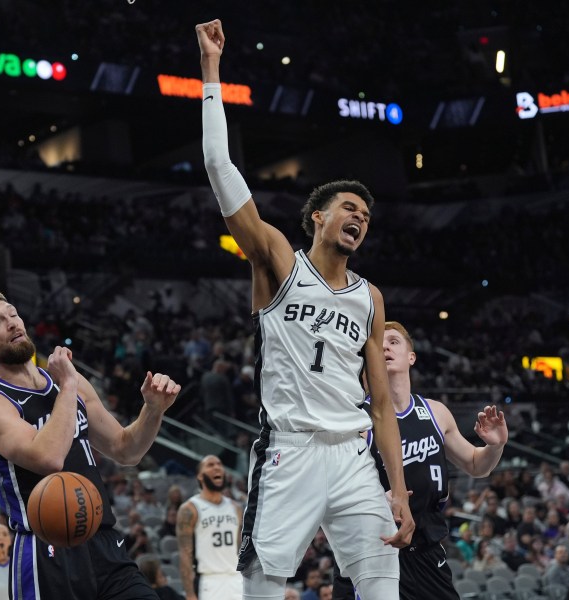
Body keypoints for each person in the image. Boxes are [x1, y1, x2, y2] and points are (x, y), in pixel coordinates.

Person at [196, 19, 414, 600]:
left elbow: (384, 405)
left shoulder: (370, 298)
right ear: (318, 217)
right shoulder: (278, 262)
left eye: (366, 217)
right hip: (290, 448)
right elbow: (219, 168)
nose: (359, 220)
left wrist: (398, 487)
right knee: (263, 584)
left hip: (353, 452)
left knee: (381, 583)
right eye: (349, 208)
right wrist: (212, 71)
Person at [0, 290, 182, 599]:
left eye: (12, 314)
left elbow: (126, 450)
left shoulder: (67, 382)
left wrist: (153, 410)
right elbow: (48, 458)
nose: (11, 323)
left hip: (103, 539)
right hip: (45, 549)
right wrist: (69, 384)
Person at [332, 321, 508, 600]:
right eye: (378, 344)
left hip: (426, 553)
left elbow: (476, 465)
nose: (385, 347)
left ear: (411, 357)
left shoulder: (436, 413)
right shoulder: (355, 419)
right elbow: (332, 491)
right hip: (372, 552)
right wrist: (374, 501)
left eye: (393, 341)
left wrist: (495, 447)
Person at [177, 455, 243, 600]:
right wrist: (189, 594)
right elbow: (185, 554)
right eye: (210, 465)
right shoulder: (190, 509)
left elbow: (240, 549)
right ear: (200, 476)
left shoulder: (235, 508)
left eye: (219, 464)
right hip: (209, 581)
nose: (217, 467)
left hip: (237, 579)